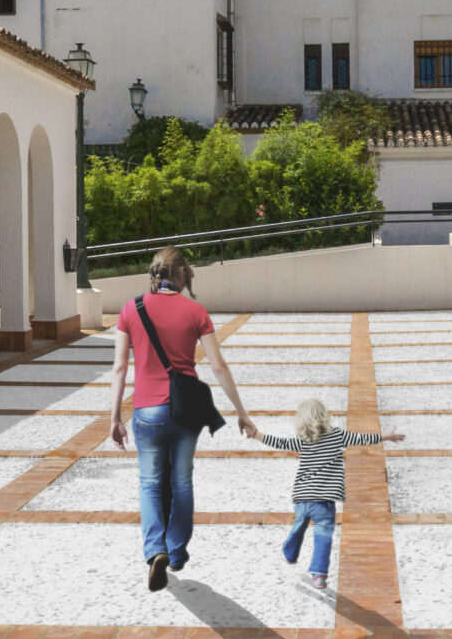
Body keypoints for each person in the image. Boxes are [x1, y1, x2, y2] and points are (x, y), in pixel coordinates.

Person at [105, 246, 256, 591]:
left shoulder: (131, 309)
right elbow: (218, 366)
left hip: (147, 410)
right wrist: (241, 413)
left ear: (155, 274)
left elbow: (118, 368)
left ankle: (155, 549)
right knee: (182, 482)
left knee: (150, 482)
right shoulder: (196, 311)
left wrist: (115, 417)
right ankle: (175, 550)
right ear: (182, 274)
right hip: (186, 411)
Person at [248, 396, 404, 590]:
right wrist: (385, 437)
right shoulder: (337, 435)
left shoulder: (303, 441)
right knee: (323, 535)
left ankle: (290, 551)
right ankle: (319, 574)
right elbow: (361, 438)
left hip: (303, 498)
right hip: (324, 501)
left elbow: (280, 443)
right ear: (324, 417)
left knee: (299, 525)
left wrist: (257, 435)